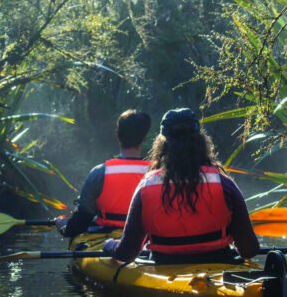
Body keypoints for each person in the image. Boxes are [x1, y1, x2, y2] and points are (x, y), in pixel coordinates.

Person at [102, 108, 259, 264]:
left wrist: (108, 245)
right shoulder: (224, 184)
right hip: (218, 262)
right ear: (200, 141)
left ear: (162, 145)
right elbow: (249, 249)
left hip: (164, 264)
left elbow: (126, 253)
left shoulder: (146, 186)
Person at [57, 109, 152, 237]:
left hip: (104, 237)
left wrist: (63, 226)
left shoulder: (99, 173)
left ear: (117, 134)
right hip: (142, 239)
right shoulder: (156, 173)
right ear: (144, 138)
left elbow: (83, 217)